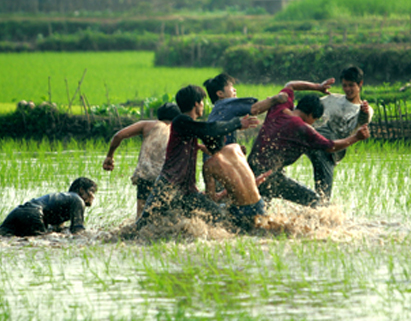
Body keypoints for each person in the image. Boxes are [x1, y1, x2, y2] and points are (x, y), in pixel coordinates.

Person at [136, 85, 260, 230]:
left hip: (187, 191)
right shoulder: (180, 122)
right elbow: (209, 129)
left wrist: (227, 144)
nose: (203, 105)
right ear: (196, 103)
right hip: (167, 186)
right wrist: (236, 123)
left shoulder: (193, 128)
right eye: (202, 102)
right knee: (143, 226)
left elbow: (213, 141)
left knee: (218, 217)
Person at [247, 78, 370, 208]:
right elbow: (330, 146)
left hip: (249, 170)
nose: (312, 123)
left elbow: (291, 85)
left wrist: (318, 87)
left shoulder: (280, 107)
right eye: (314, 119)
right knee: (315, 201)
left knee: (260, 211)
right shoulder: (302, 128)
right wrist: (356, 137)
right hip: (268, 177)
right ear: (311, 115)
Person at [307, 66, 373, 203]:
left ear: (360, 84)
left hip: (334, 150)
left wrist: (363, 112)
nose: (347, 89)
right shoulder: (333, 100)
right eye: (344, 85)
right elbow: (308, 108)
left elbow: (361, 122)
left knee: (323, 193)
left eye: (351, 85)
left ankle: (320, 212)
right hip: (317, 140)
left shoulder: (364, 109)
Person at [103, 102, 181, 219]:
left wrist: (110, 156)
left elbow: (118, 136)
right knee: (167, 217)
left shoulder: (147, 125)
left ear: (159, 116)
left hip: (146, 174)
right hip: (167, 177)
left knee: (141, 216)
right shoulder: (179, 130)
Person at [0, 177, 97, 237]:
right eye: (92, 191)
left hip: (18, 212)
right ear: (81, 190)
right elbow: (78, 231)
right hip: (34, 214)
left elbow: (57, 228)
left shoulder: (65, 200)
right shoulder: (77, 200)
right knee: (42, 240)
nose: (93, 196)